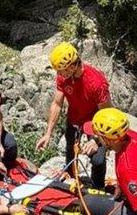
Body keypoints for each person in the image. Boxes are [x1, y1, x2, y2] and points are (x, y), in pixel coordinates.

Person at [36, 43, 111, 188]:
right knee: (70, 145)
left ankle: (98, 188)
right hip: (74, 117)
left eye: (61, 70)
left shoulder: (97, 83)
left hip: (95, 121)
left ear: (72, 66)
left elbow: (107, 114)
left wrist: (96, 139)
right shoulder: (63, 77)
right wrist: (48, 133)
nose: (59, 74)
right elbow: (57, 104)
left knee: (98, 159)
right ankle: (69, 174)